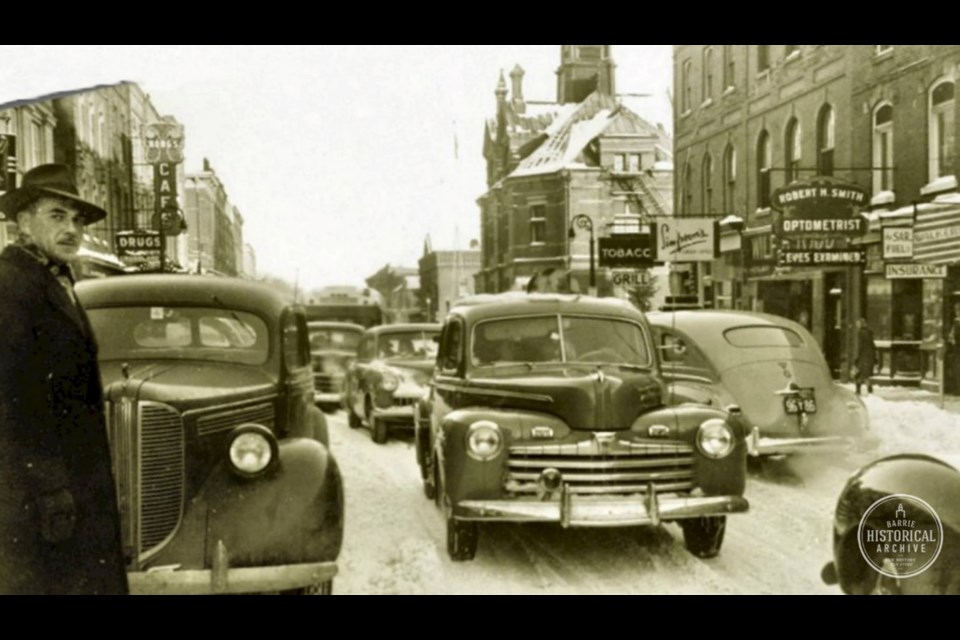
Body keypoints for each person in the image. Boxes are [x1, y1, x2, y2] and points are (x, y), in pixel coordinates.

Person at [0, 164, 128, 595]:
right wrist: (51, 489)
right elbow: (12, 401)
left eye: (77, 219)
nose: (72, 228)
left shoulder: (55, 281)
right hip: (37, 495)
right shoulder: (10, 286)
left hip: (69, 485)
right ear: (24, 222)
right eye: (57, 216)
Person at [853, 317, 877, 395]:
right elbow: (873, 345)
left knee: (859, 374)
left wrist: (857, 357)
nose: (856, 325)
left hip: (863, 356)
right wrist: (875, 357)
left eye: (858, 323)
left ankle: (860, 390)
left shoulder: (861, 333)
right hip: (869, 356)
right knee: (864, 374)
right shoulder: (868, 333)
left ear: (861, 324)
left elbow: (860, 347)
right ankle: (867, 389)